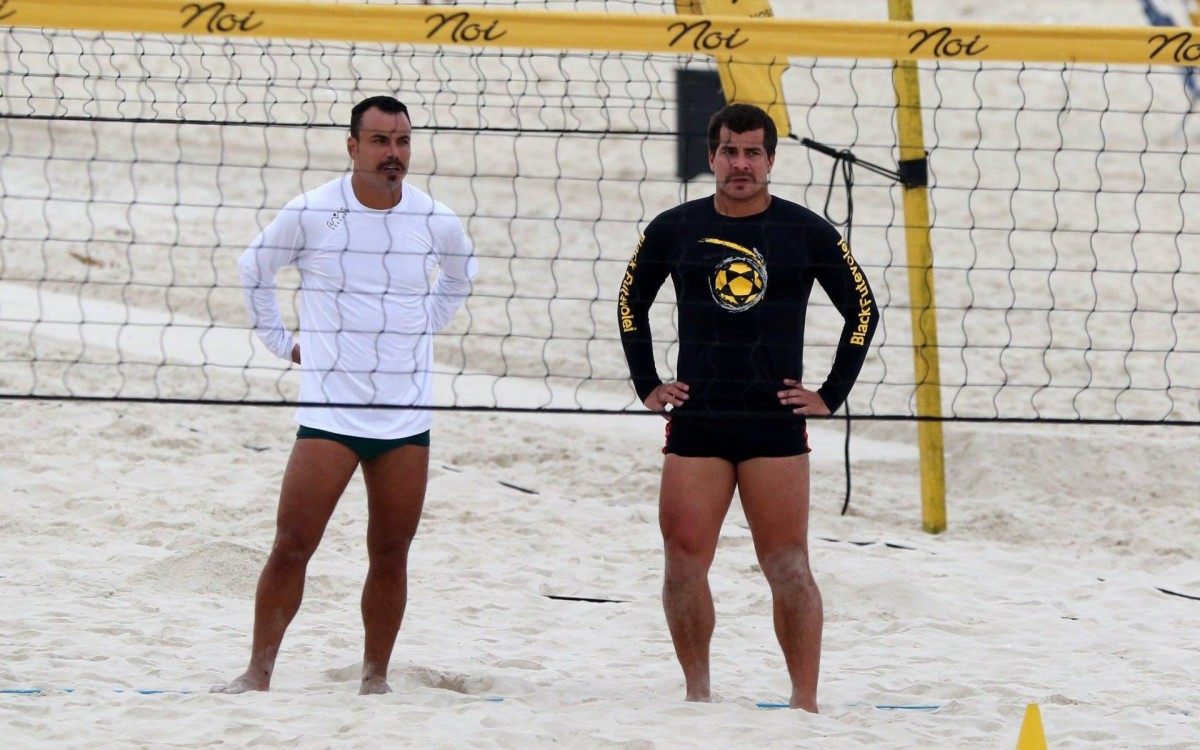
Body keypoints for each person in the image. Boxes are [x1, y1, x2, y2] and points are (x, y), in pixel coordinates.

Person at [212, 95, 477, 695]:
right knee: (292, 543)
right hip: (331, 412)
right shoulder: (312, 212)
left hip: (405, 416)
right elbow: (253, 269)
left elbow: (463, 274)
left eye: (403, 141)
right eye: (381, 141)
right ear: (353, 146)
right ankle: (258, 671)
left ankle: (374, 677)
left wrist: (423, 326)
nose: (394, 153)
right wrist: (284, 343)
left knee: (390, 550)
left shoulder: (435, 218)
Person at [618, 103, 878, 712]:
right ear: (710, 157)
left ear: (770, 160)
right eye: (730, 151)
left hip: (772, 423)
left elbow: (862, 311)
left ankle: (804, 703)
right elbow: (631, 303)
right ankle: (698, 693)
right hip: (699, 419)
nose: (741, 164)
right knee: (684, 563)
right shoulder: (672, 228)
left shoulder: (806, 231)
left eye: (753, 152)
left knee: (788, 565)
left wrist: (830, 393)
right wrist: (647, 383)